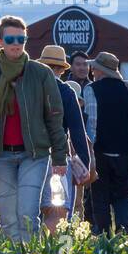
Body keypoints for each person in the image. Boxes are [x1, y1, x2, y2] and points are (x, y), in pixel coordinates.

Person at [0, 16, 68, 244]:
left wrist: (60, 156)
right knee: (9, 218)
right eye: (10, 38)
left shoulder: (40, 73)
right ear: (0, 41)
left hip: (34, 155)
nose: (16, 43)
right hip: (0, 155)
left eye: (21, 38)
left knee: (27, 214)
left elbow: (54, 117)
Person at [83, 52, 128, 235]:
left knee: (99, 196)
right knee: (123, 196)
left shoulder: (91, 89)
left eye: (94, 67)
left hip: (100, 151)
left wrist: (90, 151)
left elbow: (91, 123)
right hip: (125, 153)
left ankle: (103, 235)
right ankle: (123, 232)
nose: (92, 70)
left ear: (100, 70)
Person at [34, 45, 92, 232]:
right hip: (58, 159)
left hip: (31, 157)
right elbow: (77, 131)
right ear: (62, 69)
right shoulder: (67, 92)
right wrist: (83, 163)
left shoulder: (29, 90)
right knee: (58, 213)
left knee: (31, 211)